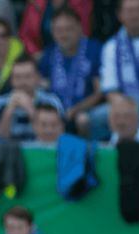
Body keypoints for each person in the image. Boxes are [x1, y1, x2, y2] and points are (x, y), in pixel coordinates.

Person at [38, 7, 104, 139]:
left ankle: (86, 155)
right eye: (59, 30)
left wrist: (75, 110)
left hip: (85, 111)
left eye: (69, 29)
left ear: (80, 28)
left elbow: (100, 92)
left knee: (83, 120)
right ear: (52, 32)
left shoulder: (94, 49)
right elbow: (42, 86)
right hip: (56, 112)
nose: (64, 35)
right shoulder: (49, 54)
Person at [0, 55, 64, 140]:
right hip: (9, 152)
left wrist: (30, 109)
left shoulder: (51, 102)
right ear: (11, 80)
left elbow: (58, 136)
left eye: (28, 76)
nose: (23, 82)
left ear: (38, 78)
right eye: (18, 77)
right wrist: (8, 111)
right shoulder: (0, 103)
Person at [100, 0, 139, 112]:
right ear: (120, 15)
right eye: (129, 11)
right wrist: (128, 109)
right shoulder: (111, 46)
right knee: (88, 120)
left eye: (138, 10)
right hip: (125, 106)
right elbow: (110, 90)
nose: (134, 15)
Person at [18, 0, 92, 58]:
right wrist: (35, 53)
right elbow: (26, 35)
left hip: (76, 55)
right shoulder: (35, 2)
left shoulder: (81, 2)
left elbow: (84, 31)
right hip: (42, 57)